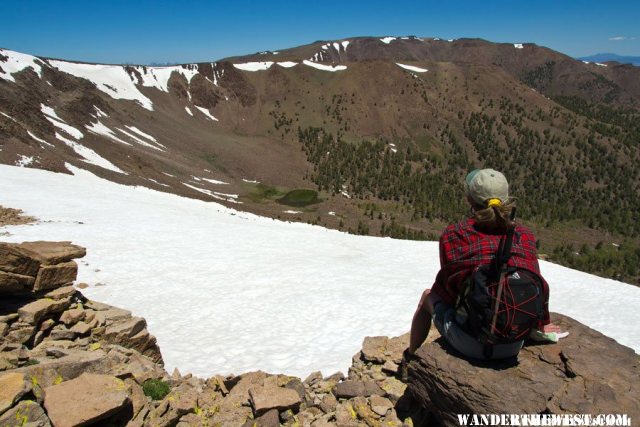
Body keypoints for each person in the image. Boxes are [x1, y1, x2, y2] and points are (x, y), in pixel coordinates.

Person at [408, 168, 567, 359]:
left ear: (469, 200)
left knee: (428, 296)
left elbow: (448, 289)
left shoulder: (455, 234)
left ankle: (410, 356)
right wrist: (541, 322)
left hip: (470, 341)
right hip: (514, 342)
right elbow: (537, 282)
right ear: (506, 199)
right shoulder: (523, 235)